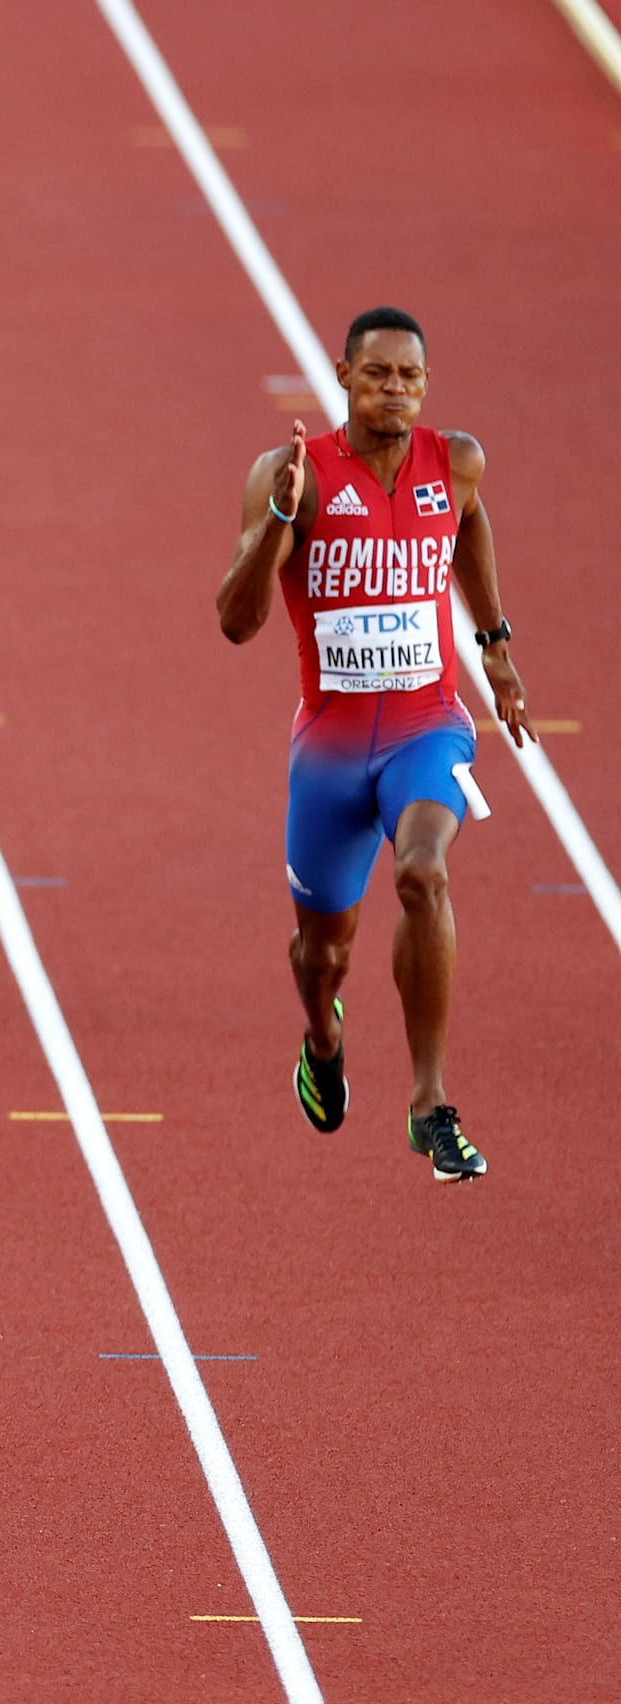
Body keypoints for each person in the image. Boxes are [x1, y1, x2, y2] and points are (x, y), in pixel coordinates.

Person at [216, 307, 530, 1183]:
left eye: (411, 377)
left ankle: (429, 1102)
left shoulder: (453, 462)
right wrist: (276, 525)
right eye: (378, 374)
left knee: (424, 873)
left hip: (430, 724)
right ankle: (323, 1037)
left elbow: (469, 524)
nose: (395, 389)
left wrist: (496, 646)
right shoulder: (293, 473)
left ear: (426, 386)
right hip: (330, 750)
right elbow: (237, 622)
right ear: (344, 377)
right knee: (323, 956)